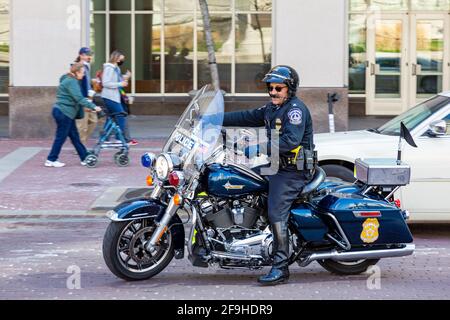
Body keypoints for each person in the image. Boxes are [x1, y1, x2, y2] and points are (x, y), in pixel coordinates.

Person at [221, 65, 314, 285]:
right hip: (275, 165)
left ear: (289, 89)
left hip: (293, 171)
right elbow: (247, 116)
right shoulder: (272, 108)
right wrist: (214, 118)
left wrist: (258, 148)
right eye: (270, 88)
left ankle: (281, 268)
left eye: (278, 88)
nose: (273, 92)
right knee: (237, 181)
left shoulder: (295, 110)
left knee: (276, 212)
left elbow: (290, 140)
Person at [45, 63, 102, 167]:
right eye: (82, 73)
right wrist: (93, 106)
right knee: (61, 137)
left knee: (75, 137)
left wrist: (87, 107)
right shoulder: (72, 82)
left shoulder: (68, 79)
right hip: (64, 112)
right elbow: (79, 98)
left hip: (64, 112)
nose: (83, 75)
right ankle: (51, 159)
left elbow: (74, 99)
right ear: (76, 72)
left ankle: (84, 157)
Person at [101, 50, 138, 146]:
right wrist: (120, 83)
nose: (122, 61)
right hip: (110, 97)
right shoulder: (109, 68)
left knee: (111, 117)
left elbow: (118, 79)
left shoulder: (116, 68)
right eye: (121, 59)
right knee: (121, 116)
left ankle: (105, 138)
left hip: (114, 97)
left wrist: (126, 77)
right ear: (116, 58)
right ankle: (122, 139)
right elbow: (105, 83)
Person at [74, 47, 98, 145]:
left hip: (89, 98)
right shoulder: (77, 67)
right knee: (82, 125)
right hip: (82, 99)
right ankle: (80, 145)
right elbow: (76, 84)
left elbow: (84, 82)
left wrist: (92, 81)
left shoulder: (87, 66)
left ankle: (80, 142)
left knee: (94, 121)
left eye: (90, 55)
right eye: (88, 55)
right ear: (81, 55)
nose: (90, 56)